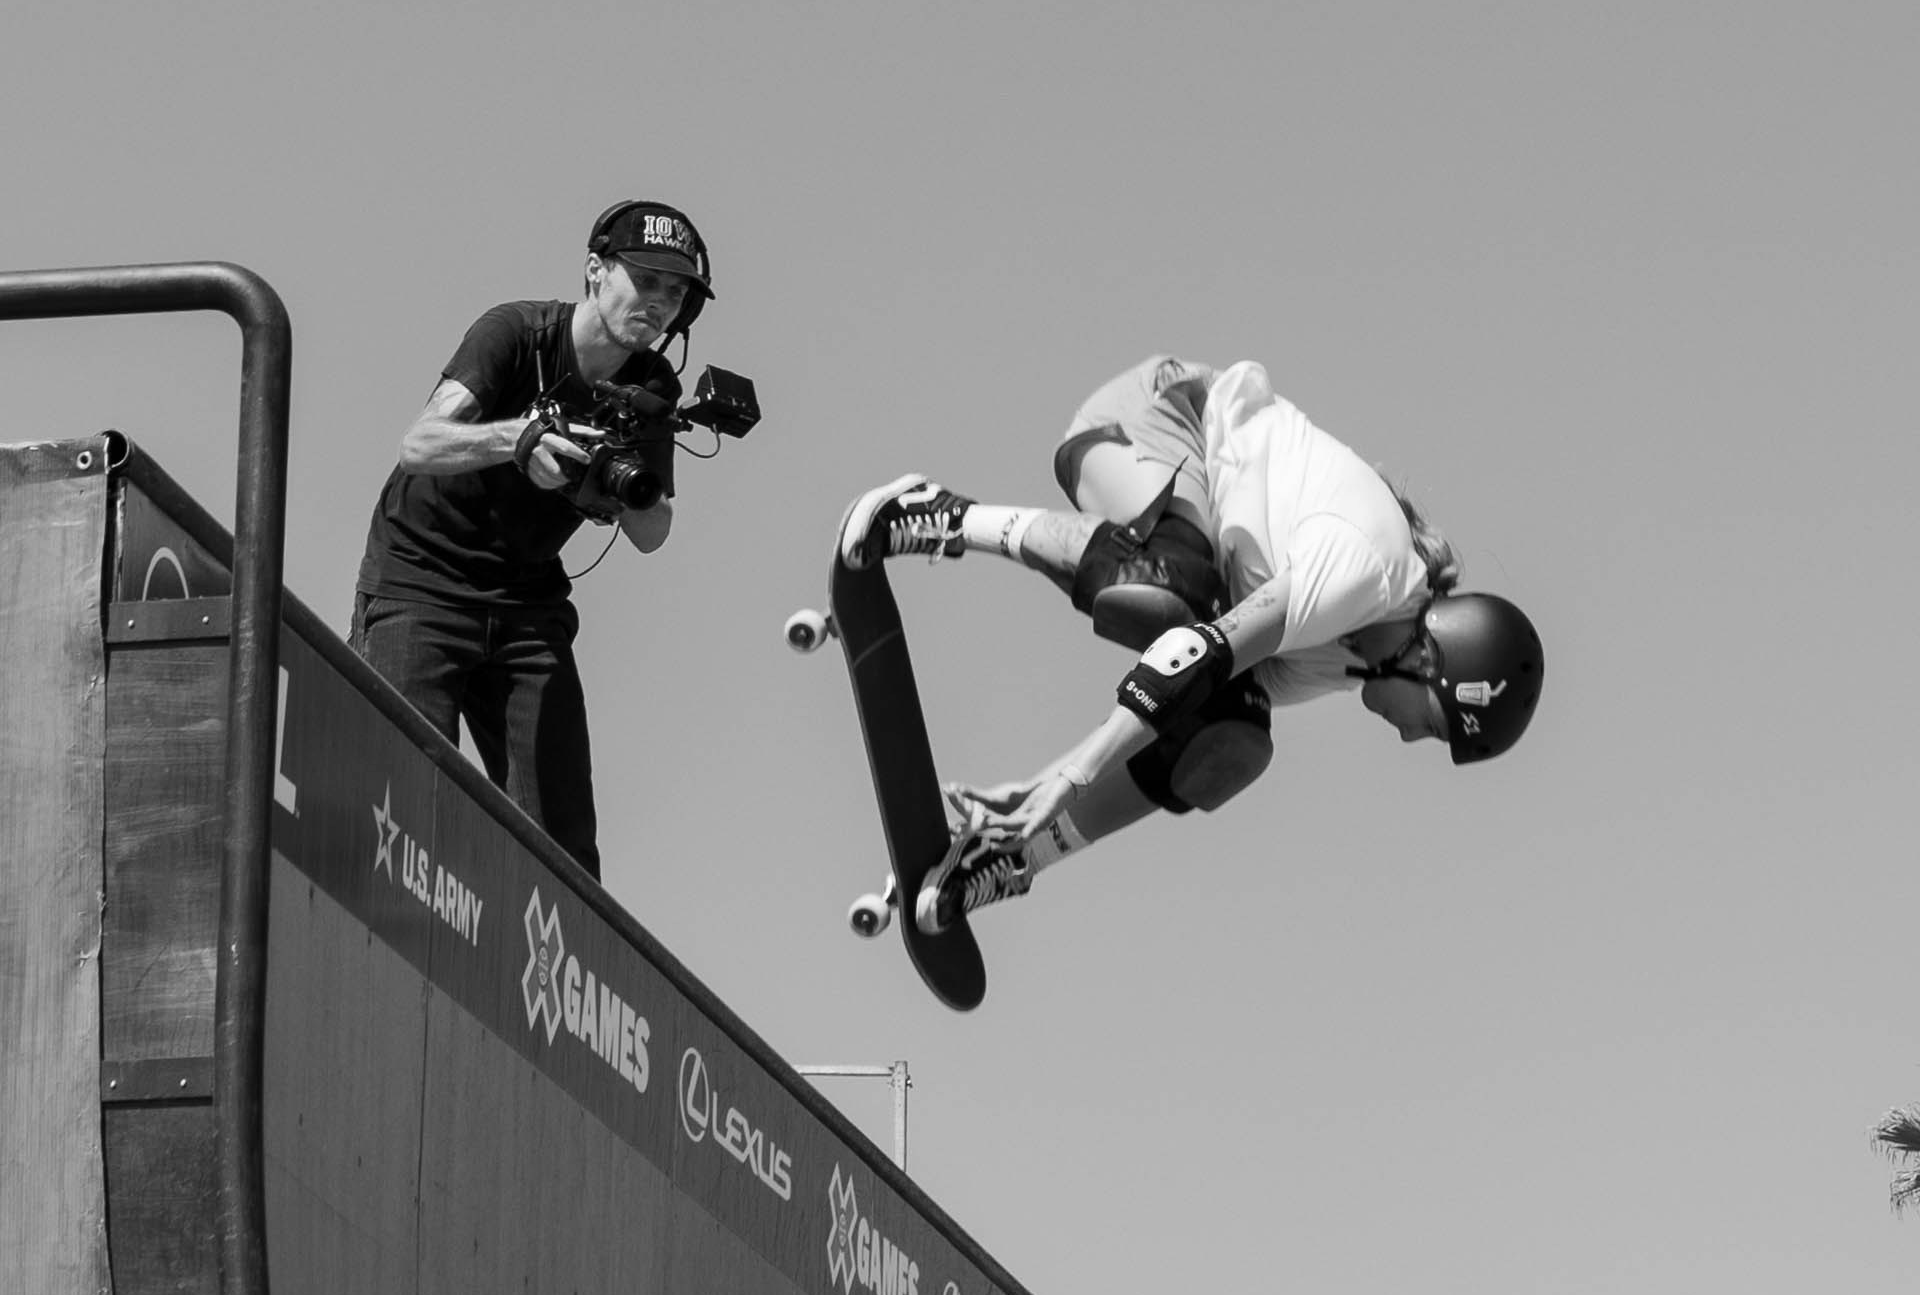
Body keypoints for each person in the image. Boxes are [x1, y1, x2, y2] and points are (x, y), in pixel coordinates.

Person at [834, 354, 1545, 928]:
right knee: (1165, 595)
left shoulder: (1344, 659)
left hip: (1191, 538)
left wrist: (1034, 802)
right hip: (1152, 420)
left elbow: (1188, 692)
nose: (1407, 739)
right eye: (1429, 724)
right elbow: (1199, 648)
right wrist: (1073, 772)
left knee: (1230, 741)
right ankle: (941, 514)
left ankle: (1010, 860)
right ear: (1427, 660)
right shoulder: (1365, 568)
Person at [349, 200, 716, 878]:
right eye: (646, 281)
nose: (661, 303)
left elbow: (653, 532)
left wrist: (616, 468)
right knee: (400, 800)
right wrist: (518, 439)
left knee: (566, 854)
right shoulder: (516, 332)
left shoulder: (651, 387)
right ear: (595, 272)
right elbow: (418, 444)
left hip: (527, 608)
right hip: (421, 585)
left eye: (676, 293)